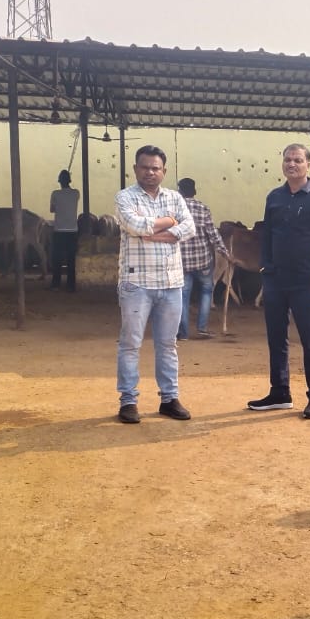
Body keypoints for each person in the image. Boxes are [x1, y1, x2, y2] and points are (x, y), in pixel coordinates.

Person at [248, 143, 310, 419]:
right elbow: (267, 235)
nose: (292, 164)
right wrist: (265, 268)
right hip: (276, 279)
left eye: (298, 160)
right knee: (276, 338)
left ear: (307, 165)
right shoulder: (274, 197)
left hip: (307, 281)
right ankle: (280, 393)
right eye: (288, 160)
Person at [113, 146, 196, 424]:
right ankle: (128, 401)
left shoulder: (174, 197)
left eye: (155, 168)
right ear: (135, 169)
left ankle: (169, 399)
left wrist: (157, 232)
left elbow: (189, 228)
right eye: (145, 167)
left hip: (171, 283)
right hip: (136, 284)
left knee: (168, 344)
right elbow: (135, 226)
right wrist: (170, 222)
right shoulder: (125, 197)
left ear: (164, 171)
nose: (150, 172)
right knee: (130, 344)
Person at [175, 177, 230, 340]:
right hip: (203, 261)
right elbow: (213, 234)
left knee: (183, 296)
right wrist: (224, 252)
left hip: (182, 262)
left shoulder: (174, 210)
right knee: (206, 292)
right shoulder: (203, 208)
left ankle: (183, 333)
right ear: (194, 191)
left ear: (179, 191)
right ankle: (202, 329)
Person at [49, 169, 80, 291]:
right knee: (71, 259)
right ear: (69, 181)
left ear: (60, 181)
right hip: (72, 230)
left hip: (59, 230)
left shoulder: (55, 194)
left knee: (57, 258)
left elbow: (52, 210)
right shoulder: (76, 193)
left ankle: (56, 284)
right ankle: (71, 286)